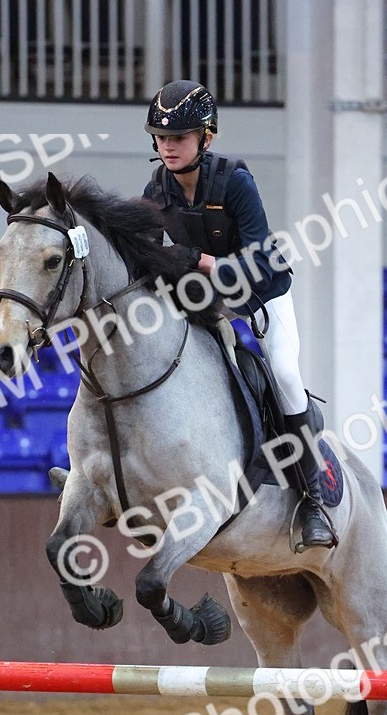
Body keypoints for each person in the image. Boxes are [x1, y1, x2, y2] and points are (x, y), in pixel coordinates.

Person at [143, 79, 336, 550]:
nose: (168, 146)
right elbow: (144, 254)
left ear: (205, 138)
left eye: (180, 137)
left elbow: (256, 260)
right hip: (205, 299)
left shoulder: (235, 182)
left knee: (287, 374)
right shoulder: (157, 187)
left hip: (262, 294)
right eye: (162, 137)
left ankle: (313, 499)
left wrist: (200, 261)